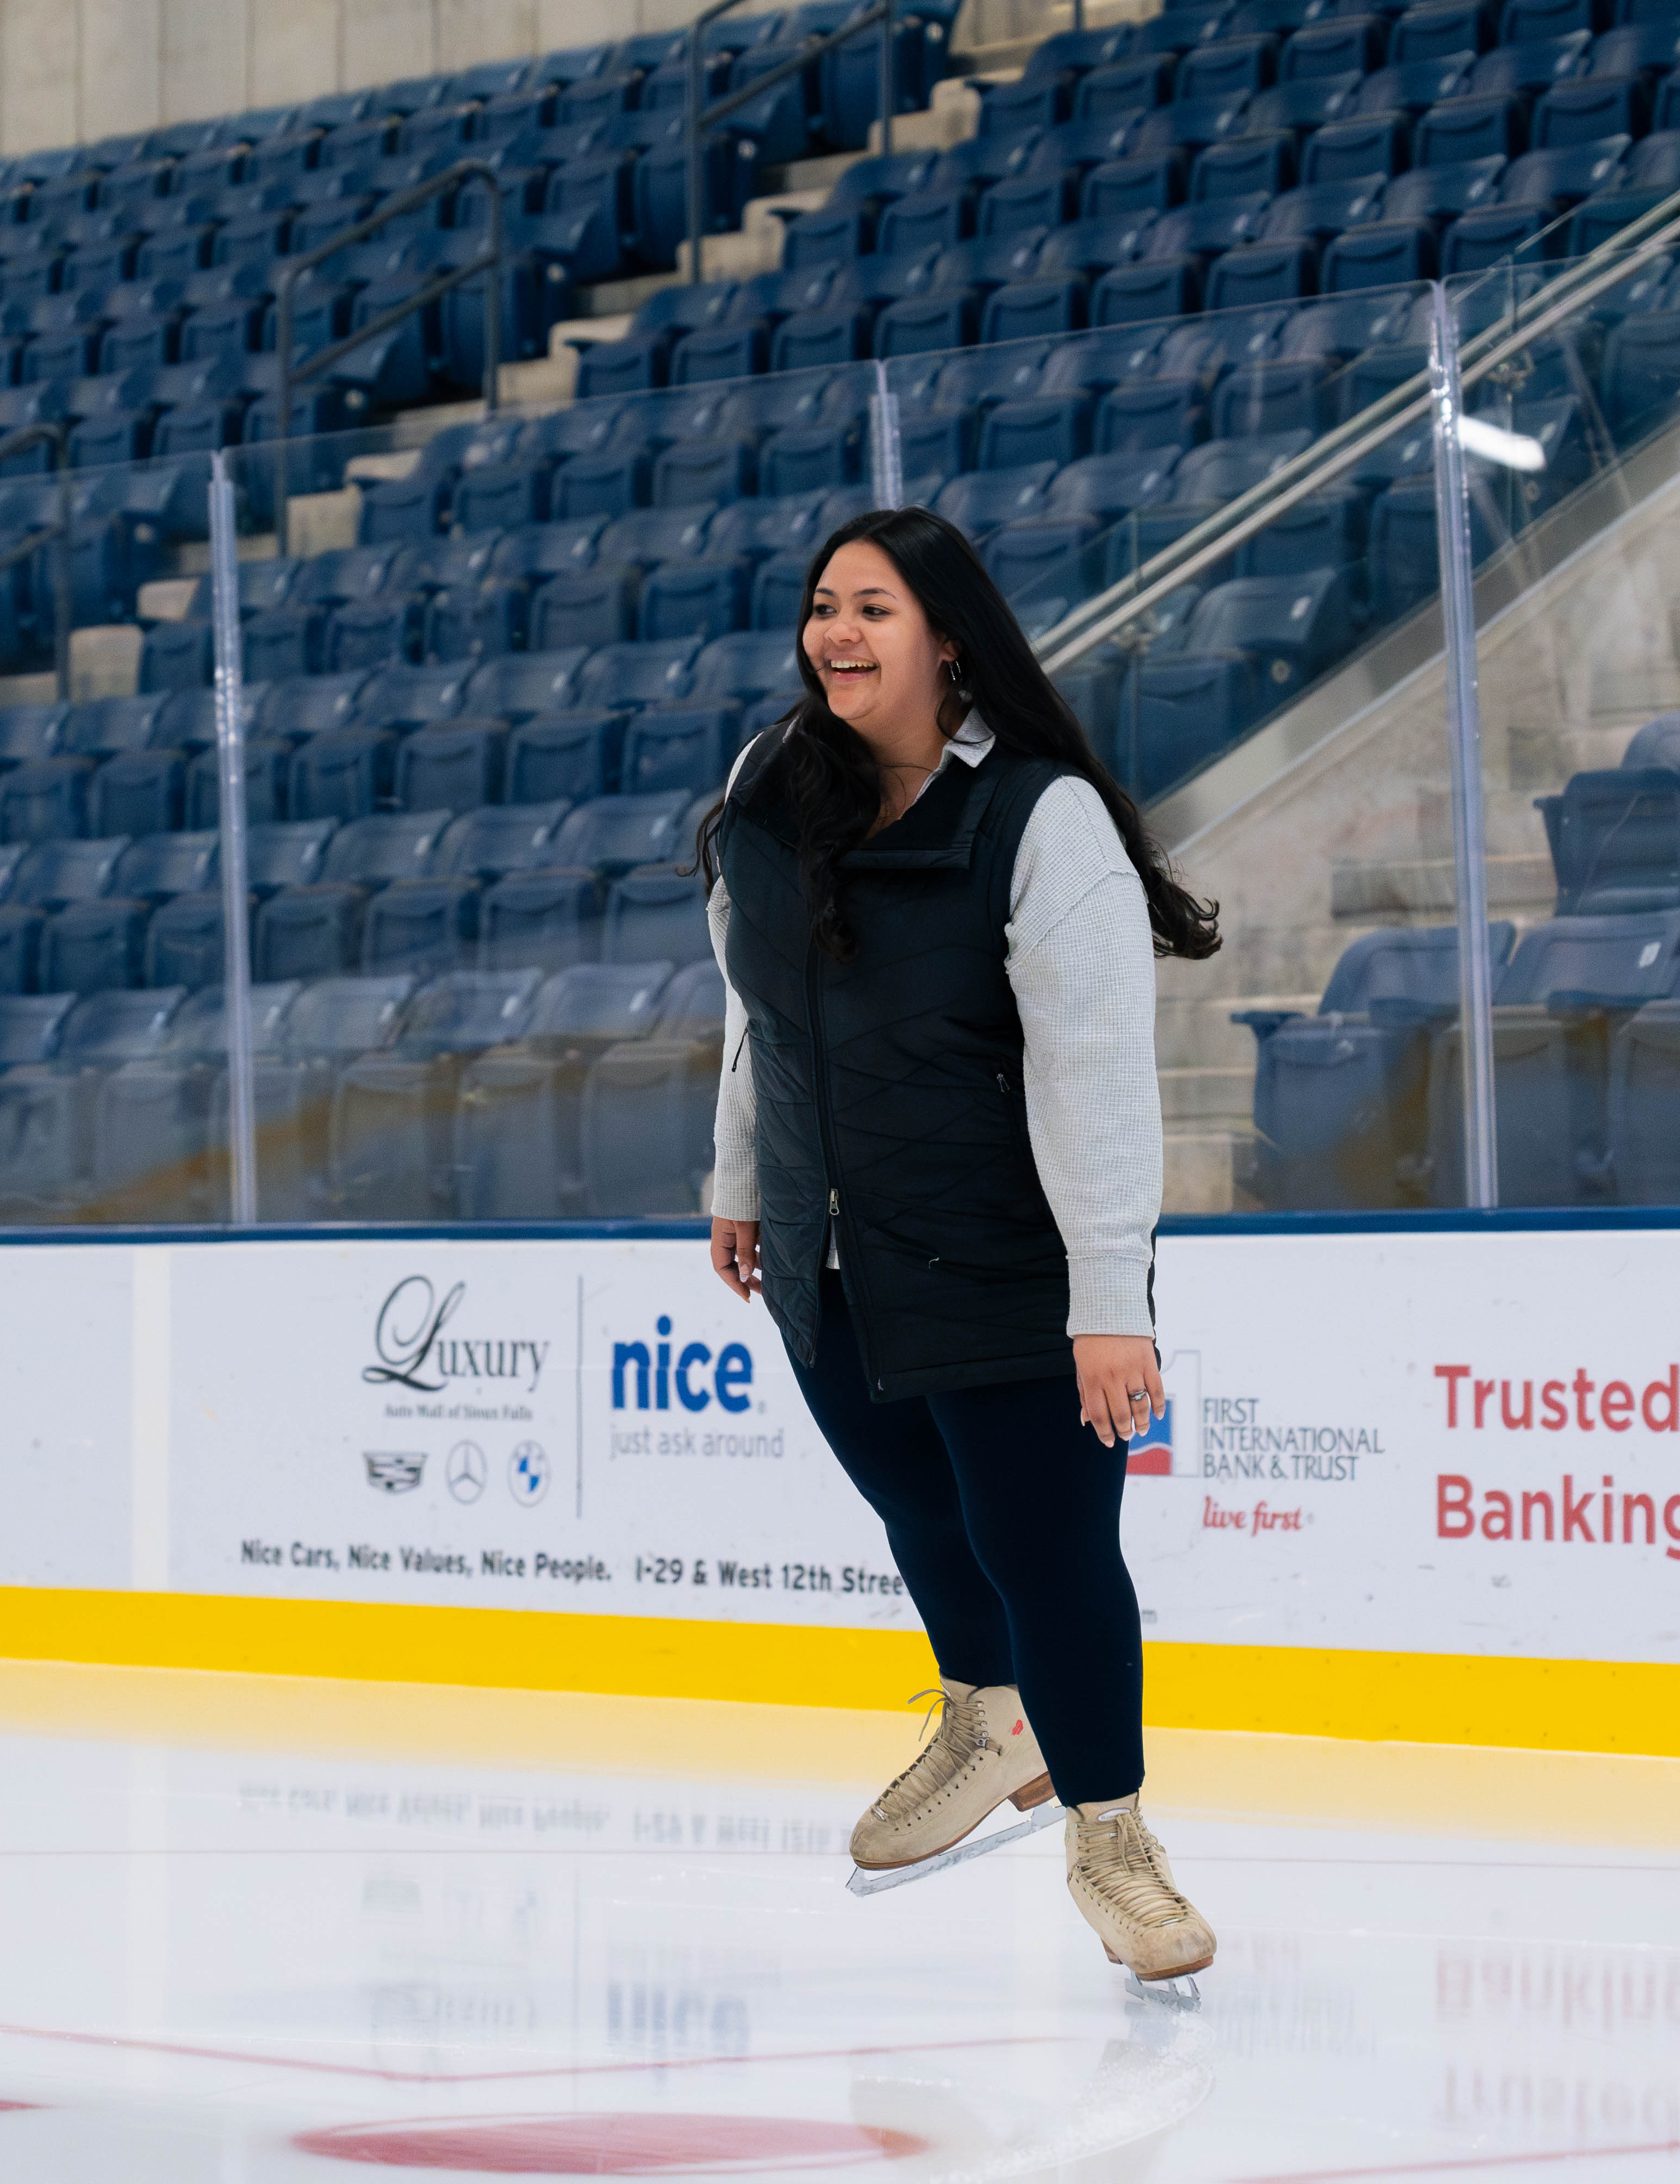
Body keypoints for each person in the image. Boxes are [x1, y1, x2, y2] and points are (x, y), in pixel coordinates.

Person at [696, 505, 1225, 1984]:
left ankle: (1113, 1839)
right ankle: (989, 1722)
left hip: (1005, 1252)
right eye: (820, 608)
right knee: (922, 1512)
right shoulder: (772, 785)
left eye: (871, 609)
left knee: (1049, 1549)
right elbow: (759, 1009)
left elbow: (1097, 1073)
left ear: (946, 637)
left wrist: (1110, 1297)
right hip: (827, 1247)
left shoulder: (1036, 815)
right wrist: (742, 1175)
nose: (836, 636)